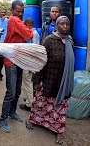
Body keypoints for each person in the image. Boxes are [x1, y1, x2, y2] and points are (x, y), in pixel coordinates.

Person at [26, 16, 74, 144]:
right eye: (62, 24)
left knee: (59, 107)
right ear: (57, 25)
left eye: (67, 24)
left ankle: (58, 130)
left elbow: (70, 63)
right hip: (48, 79)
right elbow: (40, 61)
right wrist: (36, 80)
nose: (65, 27)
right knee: (41, 103)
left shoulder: (69, 41)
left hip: (62, 82)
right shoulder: (49, 40)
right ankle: (34, 120)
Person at [0, 0, 34, 133]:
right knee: (11, 92)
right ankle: (2, 119)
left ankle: (12, 112)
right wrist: (27, 28)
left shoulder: (17, 20)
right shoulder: (14, 20)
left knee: (18, 90)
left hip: (18, 58)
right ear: (12, 10)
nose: (19, 13)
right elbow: (29, 34)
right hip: (11, 59)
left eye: (21, 11)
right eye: (17, 11)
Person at [20, 18, 40, 111]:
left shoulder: (33, 34)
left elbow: (34, 49)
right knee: (29, 81)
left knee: (27, 82)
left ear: (27, 25)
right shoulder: (34, 33)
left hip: (29, 62)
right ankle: (29, 98)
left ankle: (29, 104)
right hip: (30, 61)